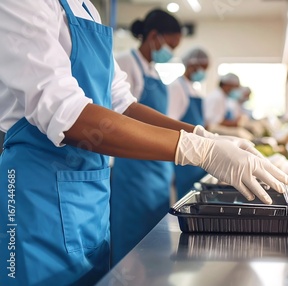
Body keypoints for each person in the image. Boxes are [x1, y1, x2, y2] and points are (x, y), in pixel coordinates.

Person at [0, 2, 288, 286]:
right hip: (39, 194)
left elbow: (123, 105)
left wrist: (204, 136)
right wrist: (198, 150)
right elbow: (67, 114)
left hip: (90, 193)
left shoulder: (86, 9)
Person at [110, 9, 182, 266]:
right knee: (131, 250)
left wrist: (193, 137)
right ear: (153, 36)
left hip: (158, 173)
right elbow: (120, 118)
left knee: (154, 251)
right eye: (170, 46)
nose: (170, 53)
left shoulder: (153, 71)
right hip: (134, 174)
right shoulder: (124, 64)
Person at [168, 47, 210, 198]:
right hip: (185, 154)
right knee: (186, 199)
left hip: (198, 153)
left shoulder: (194, 89)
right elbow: (170, 123)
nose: (203, 73)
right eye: (202, 68)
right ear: (191, 65)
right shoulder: (176, 87)